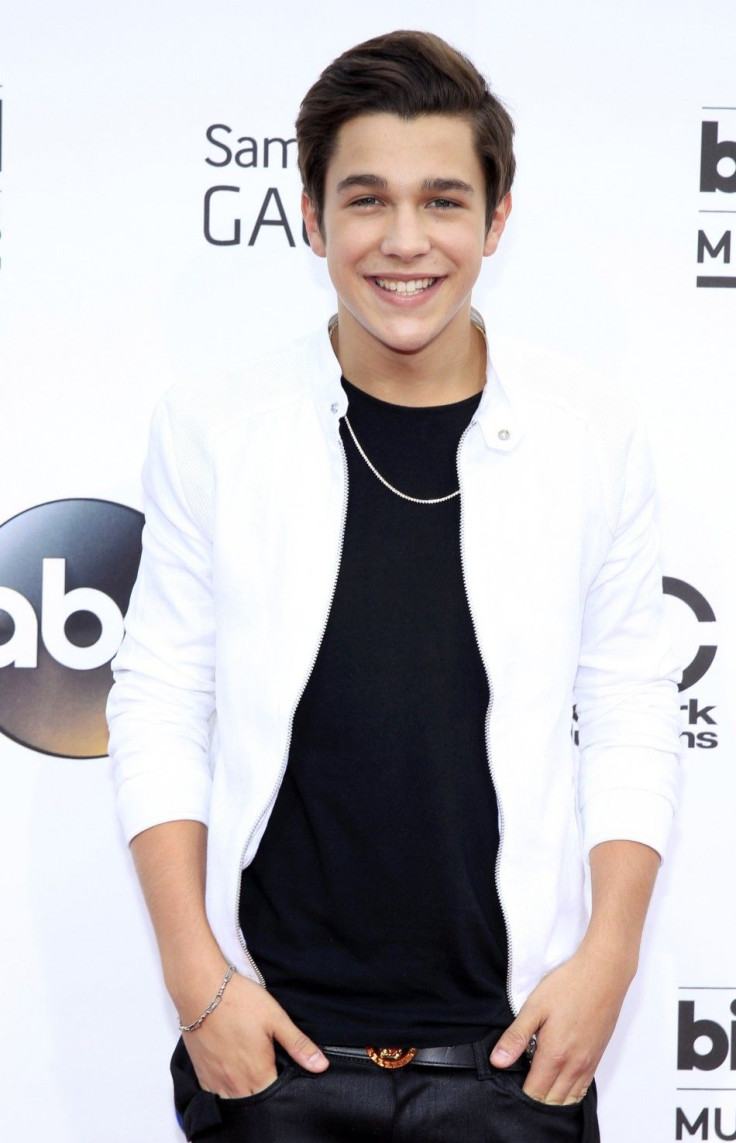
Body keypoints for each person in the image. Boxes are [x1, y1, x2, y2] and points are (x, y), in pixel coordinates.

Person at [107, 29, 681, 1143]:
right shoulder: (215, 428)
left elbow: (628, 705)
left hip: (514, 1059)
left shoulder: (589, 432)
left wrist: (608, 960)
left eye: (443, 201)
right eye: (366, 201)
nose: (405, 242)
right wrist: (198, 986)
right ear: (312, 219)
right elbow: (162, 696)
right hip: (272, 1057)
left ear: (496, 220)